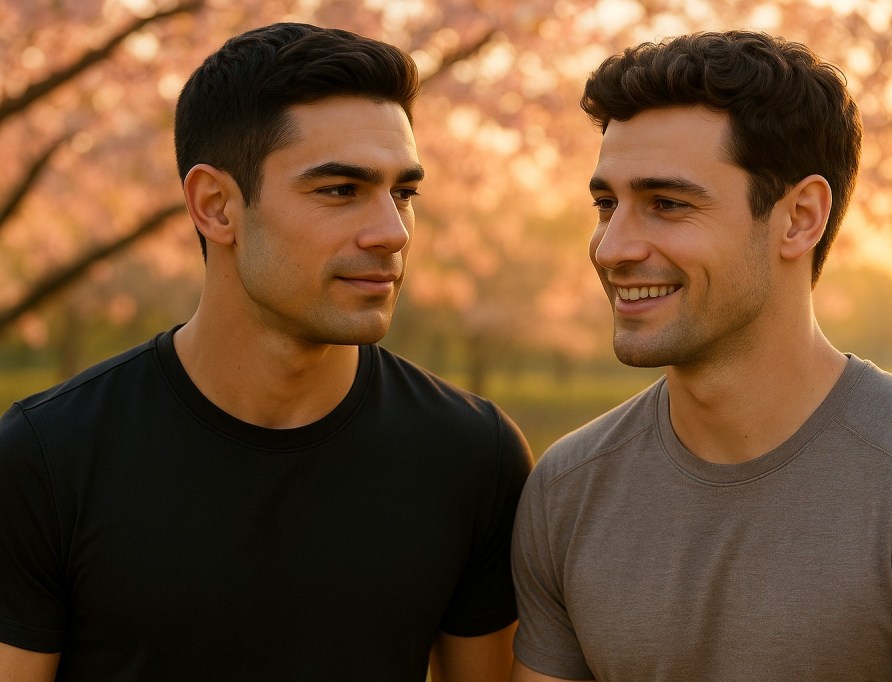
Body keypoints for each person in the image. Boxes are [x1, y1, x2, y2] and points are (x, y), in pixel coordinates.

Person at [0, 23, 532, 681]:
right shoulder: (48, 458)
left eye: (404, 193)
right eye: (341, 190)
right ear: (216, 206)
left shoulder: (472, 457)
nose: (392, 232)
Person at [510, 30, 892, 681]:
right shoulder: (566, 489)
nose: (612, 247)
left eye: (667, 204)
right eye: (607, 204)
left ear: (800, 217)